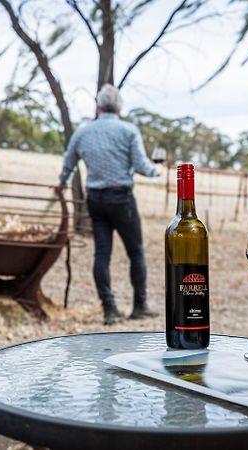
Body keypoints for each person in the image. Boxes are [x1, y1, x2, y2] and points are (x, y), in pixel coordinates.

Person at [57, 84, 161, 325]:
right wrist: (156, 171)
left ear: (98, 105)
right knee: (135, 252)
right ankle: (139, 306)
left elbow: (68, 162)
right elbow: (141, 165)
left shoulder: (82, 132)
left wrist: (60, 183)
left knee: (102, 253)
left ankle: (109, 310)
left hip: (95, 200)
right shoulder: (128, 131)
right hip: (122, 199)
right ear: (119, 107)